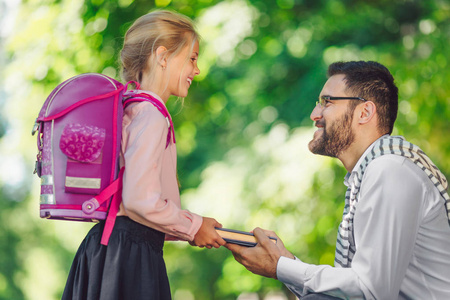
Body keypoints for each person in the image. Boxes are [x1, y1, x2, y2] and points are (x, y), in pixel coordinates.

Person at [225, 61, 450, 299]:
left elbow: (370, 291)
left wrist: (280, 266)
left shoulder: (390, 170)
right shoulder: (372, 172)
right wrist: (287, 262)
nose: (314, 114)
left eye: (327, 102)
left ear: (365, 112)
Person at [63, 10, 226, 300]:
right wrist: (193, 225)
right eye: (191, 58)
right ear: (163, 56)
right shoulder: (151, 115)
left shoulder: (129, 109)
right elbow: (139, 200)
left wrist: (192, 229)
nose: (196, 69)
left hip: (108, 251)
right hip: (129, 258)